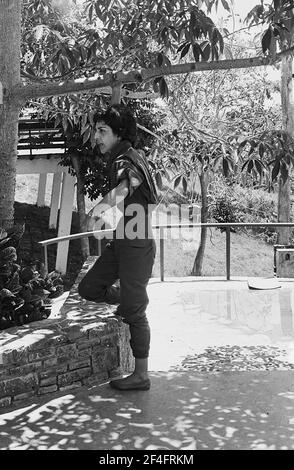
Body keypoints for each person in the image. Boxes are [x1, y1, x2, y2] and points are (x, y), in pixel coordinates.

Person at [78, 104, 158, 391]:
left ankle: (141, 375)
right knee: (88, 288)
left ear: (118, 134)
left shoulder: (128, 157)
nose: (97, 137)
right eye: (96, 130)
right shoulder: (121, 155)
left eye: (102, 131)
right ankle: (126, 297)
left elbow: (125, 188)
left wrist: (95, 211)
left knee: (135, 312)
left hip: (137, 244)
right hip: (123, 240)